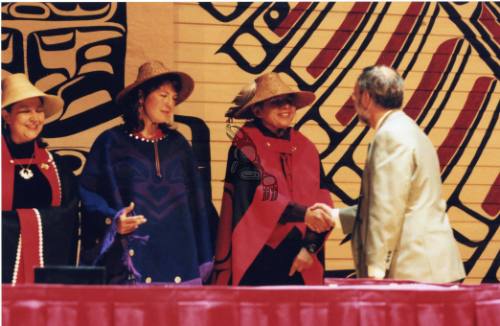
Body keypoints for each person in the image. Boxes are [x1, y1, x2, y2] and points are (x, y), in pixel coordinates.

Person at [313, 65, 465, 282]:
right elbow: (395, 203)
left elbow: (386, 208)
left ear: (366, 97)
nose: (354, 102)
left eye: (355, 95)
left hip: (414, 271)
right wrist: (335, 217)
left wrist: (375, 271)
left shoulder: (389, 136)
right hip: (431, 266)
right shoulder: (410, 129)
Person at [78, 60, 214, 285]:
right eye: (163, 95)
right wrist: (114, 221)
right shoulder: (111, 142)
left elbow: (199, 205)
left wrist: (205, 254)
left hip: (179, 263)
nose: (170, 103)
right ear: (141, 97)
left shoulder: (179, 145)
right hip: (130, 265)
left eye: (173, 98)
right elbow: (88, 193)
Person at [212, 72, 334, 286]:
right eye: (277, 102)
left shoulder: (306, 146)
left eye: (290, 102)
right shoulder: (244, 144)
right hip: (259, 256)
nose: (286, 107)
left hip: (302, 256)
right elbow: (256, 197)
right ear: (257, 110)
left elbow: (323, 200)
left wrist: (310, 248)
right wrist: (303, 213)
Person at [2, 73, 79, 284]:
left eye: (39, 110)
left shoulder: (56, 165)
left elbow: (70, 212)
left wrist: (20, 222)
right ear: (7, 116)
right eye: (25, 111)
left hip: (46, 272)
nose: (35, 118)